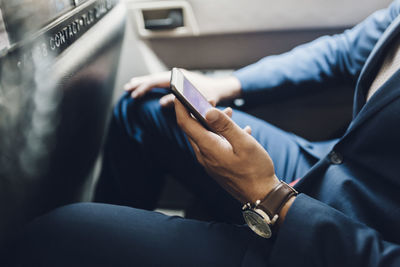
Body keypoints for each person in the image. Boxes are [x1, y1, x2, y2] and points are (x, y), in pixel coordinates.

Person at [17, 0, 400, 266]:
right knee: (144, 108)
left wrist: (270, 198)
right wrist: (227, 84)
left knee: (53, 234)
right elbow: (344, 53)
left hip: (340, 238)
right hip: (329, 166)